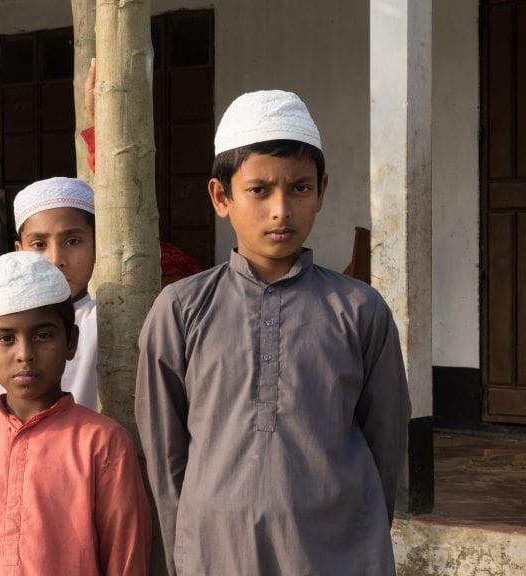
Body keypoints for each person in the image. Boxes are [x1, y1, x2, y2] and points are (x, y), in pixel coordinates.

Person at [135, 90, 412, 575]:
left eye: (299, 188)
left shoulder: (359, 309)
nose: (281, 209)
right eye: (259, 190)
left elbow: (385, 441)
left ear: (321, 191)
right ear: (222, 197)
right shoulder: (180, 310)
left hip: (335, 552)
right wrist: (188, 548)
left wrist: (361, 534)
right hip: (217, 551)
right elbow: (165, 452)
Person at [0, 251, 151, 575]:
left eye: (43, 335)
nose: (25, 355)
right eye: (6, 339)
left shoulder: (104, 444)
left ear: (71, 341)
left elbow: (124, 561)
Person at [0, 177, 99, 413]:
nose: (55, 260)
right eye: (39, 244)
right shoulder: (3, 321)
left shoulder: (106, 322)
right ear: (19, 252)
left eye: (73, 241)